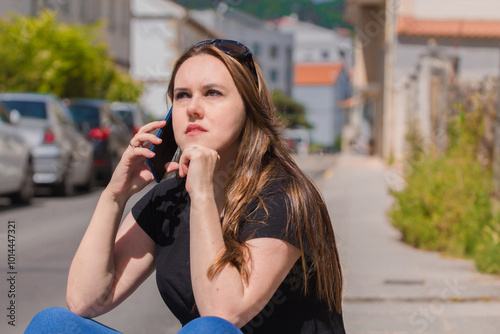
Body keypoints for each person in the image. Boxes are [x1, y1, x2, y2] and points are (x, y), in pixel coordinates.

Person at [25, 39, 346, 333]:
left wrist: (204, 192)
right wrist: (114, 196)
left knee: (206, 331)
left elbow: (222, 315)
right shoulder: (170, 198)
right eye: (182, 95)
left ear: (248, 108)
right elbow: (86, 300)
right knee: (52, 325)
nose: (193, 107)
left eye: (212, 93)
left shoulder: (283, 195)